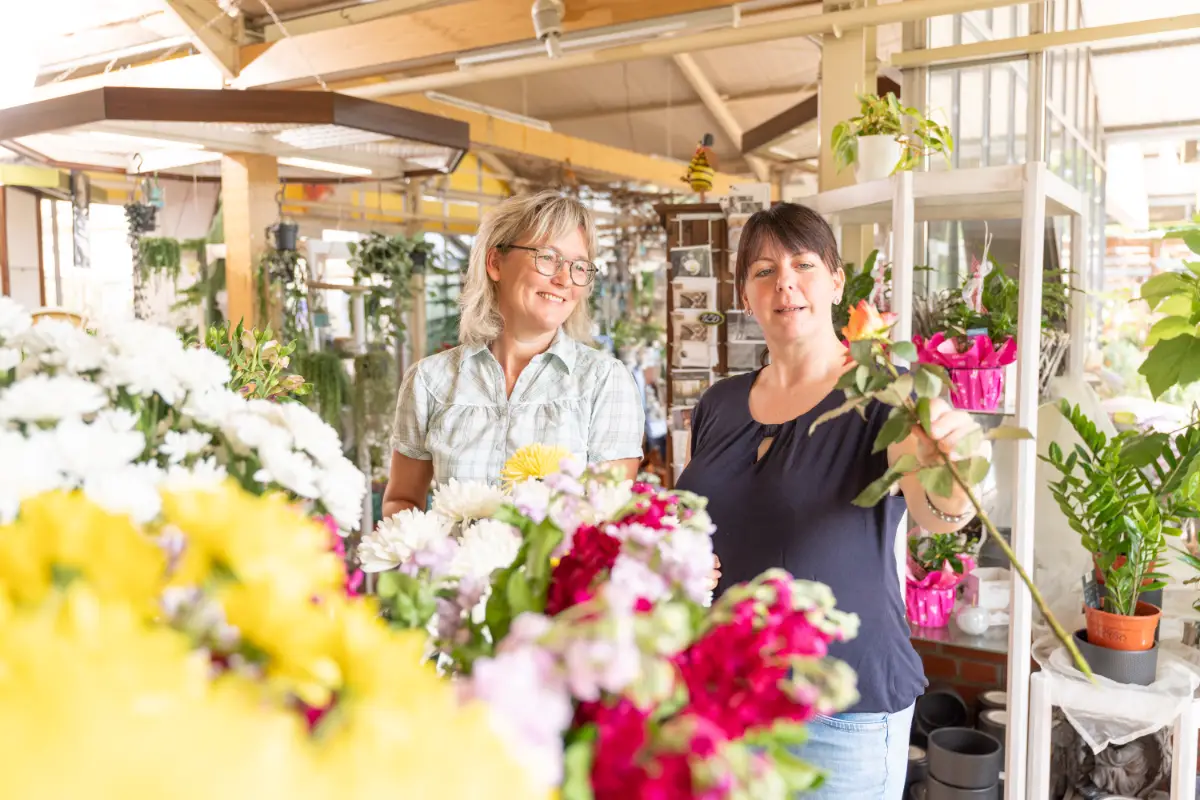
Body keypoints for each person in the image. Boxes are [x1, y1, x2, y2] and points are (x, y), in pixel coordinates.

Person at [676, 203, 987, 799]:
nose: (784, 282)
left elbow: (939, 512)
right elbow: (701, 520)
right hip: (730, 701)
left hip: (841, 714)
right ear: (745, 292)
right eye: (763, 270)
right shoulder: (718, 403)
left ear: (838, 281)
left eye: (804, 264)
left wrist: (955, 458)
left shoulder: (884, 391)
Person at [382, 190, 645, 517]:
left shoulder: (603, 381)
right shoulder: (429, 381)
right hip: (454, 569)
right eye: (548, 257)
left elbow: (610, 518)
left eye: (579, 266)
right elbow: (401, 500)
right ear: (495, 263)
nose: (564, 279)